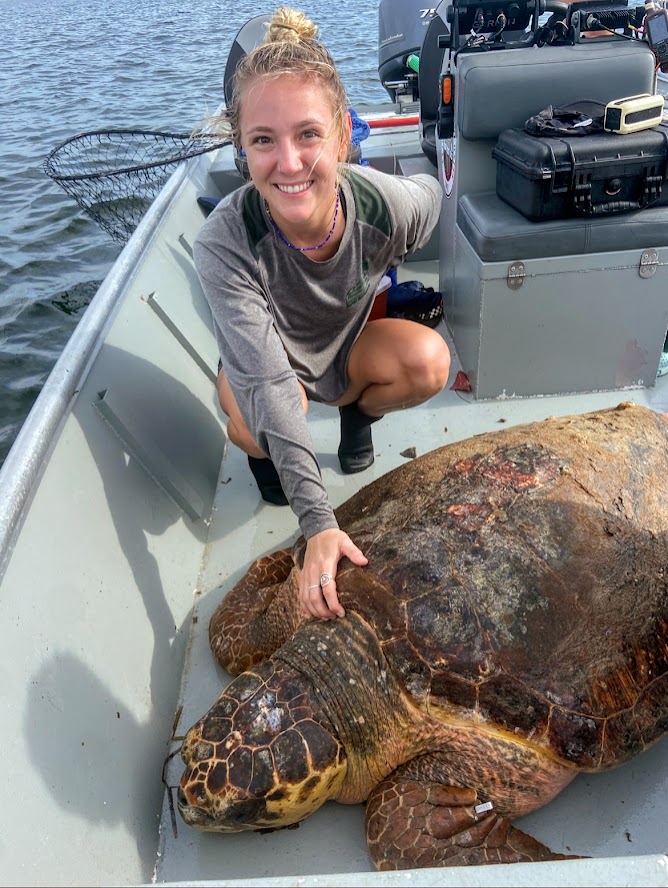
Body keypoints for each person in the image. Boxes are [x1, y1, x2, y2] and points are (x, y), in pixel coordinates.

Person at [193, 6, 451, 623]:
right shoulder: (223, 243)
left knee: (429, 360)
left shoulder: (383, 207)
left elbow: (431, 196)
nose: (289, 163)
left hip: (346, 351)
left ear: (341, 138)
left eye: (308, 135)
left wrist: (394, 247)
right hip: (268, 370)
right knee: (257, 420)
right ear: (242, 150)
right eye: (263, 140)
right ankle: (266, 460)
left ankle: (359, 417)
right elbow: (266, 382)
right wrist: (319, 525)